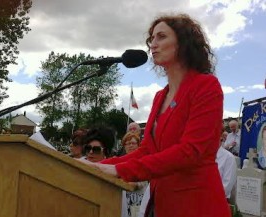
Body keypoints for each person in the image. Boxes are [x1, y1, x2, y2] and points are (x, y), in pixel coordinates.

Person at [79, 13, 230, 217]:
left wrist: (121, 171)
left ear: (183, 42)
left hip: (197, 205)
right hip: (163, 205)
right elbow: (147, 151)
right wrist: (94, 166)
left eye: (161, 37)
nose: (153, 44)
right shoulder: (160, 96)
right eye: (151, 39)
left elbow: (191, 151)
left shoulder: (206, 86)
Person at [120, 132, 148, 217]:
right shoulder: (121, 162)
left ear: (138, 145)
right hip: (123, 202)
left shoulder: (143, 161)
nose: (130, 146)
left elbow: (139, 183)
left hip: (138, 203)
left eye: (133, 143)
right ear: (124, 147)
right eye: (127, 144)